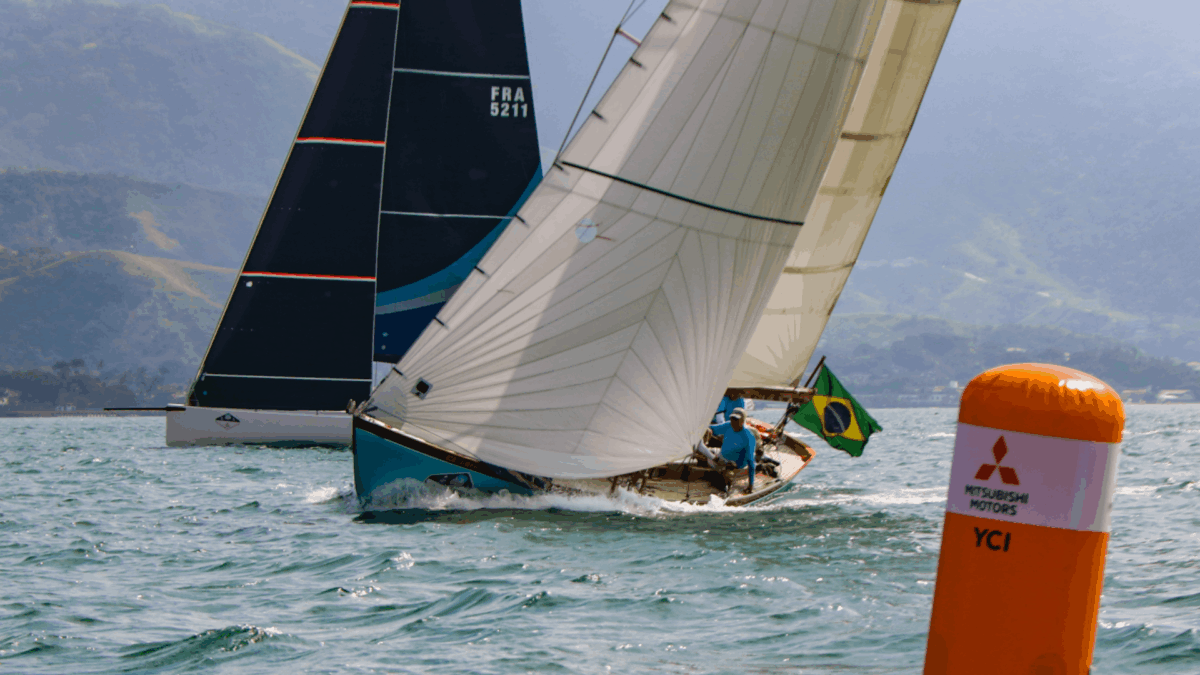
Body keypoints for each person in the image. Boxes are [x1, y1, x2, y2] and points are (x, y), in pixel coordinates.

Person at [707, 407, 757, 493]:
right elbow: (713, 429)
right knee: (704, 453)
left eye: (736, 419)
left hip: (735, 465)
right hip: (722, 457)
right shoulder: (728, 425)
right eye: (732, 418)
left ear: (742, 421)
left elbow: (751, 462)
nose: (733, 421)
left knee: (724, 477)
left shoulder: (748, 436)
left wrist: (750, 486)